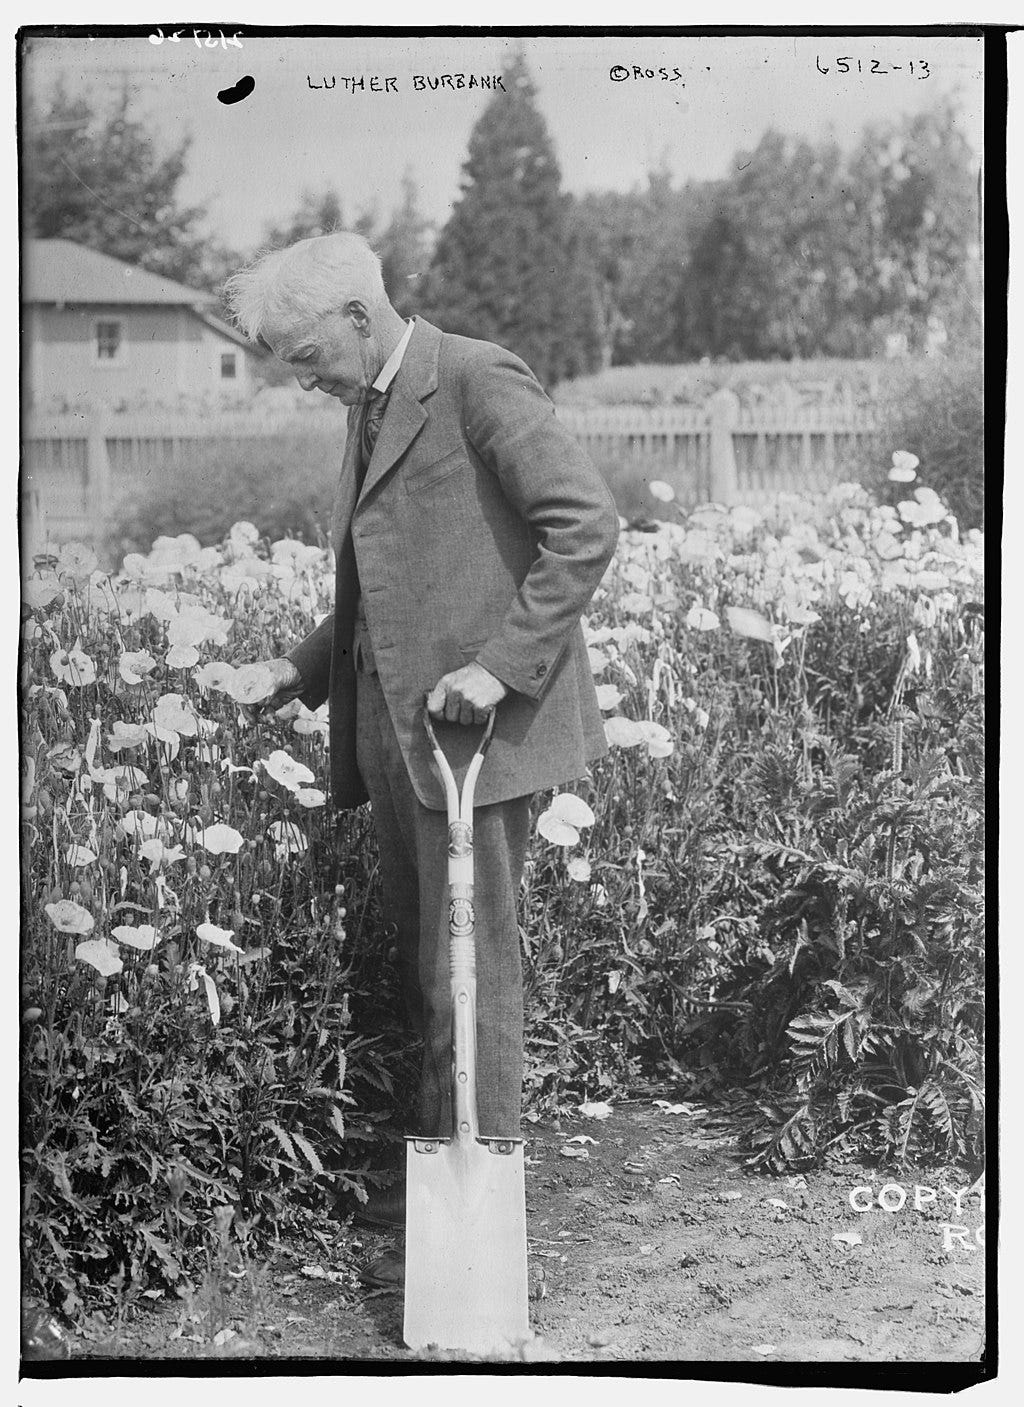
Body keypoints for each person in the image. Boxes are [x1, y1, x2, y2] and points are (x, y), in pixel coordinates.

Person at [225, 232, 618, 1280]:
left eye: (307, 356)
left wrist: (500, 665)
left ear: (358, 318)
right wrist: (299, 669)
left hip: (476, 736)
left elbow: (583, 526)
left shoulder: (475, 379)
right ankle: (439, 1168)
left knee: (472, 964)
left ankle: (483, 1188)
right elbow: (379, 579)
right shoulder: (367, 407)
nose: (305, 381)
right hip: (401, 736)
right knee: (427, 964)